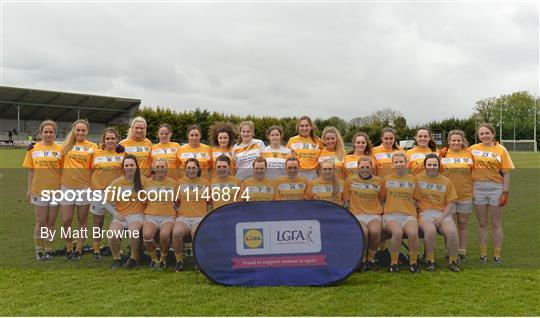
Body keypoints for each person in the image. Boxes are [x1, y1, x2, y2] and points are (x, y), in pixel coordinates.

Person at [469, 123, 514, 263]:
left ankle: (497, 254)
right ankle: (483, 253)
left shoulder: (501, 149)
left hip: (496, 188)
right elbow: (457, 154)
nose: (484, 136)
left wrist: (505, 192)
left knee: (496, 222)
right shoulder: (472, 149)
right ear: (478, 135)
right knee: (482, 222)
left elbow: (506, 172)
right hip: (478, 187)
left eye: (487, 133)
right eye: (481, 133)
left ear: (493, 134)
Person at [23, 120, 63, 260]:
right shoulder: (33, 149)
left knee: (51, 222)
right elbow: (31, 171)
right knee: (40, 222)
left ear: (55, 133)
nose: (48, 134)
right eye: (45, 132)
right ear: (41, 133)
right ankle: (39, 251)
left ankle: (49, 249)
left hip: (56, 191)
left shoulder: (60, 150)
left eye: (51, 132)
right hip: (38, 190)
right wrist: (29, 189)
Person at [414, 153, 461, 272]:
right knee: (430, 231)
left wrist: (442, 218)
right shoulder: (417, 179)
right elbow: (411, 197)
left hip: (441, 214)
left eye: (435, 165)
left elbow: (450, 202)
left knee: (452, 232)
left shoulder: (446, 181)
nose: (432, 167)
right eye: (429, 164)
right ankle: (430, 261)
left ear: (439, 166)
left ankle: (453, 261)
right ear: (425, 165)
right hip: (424, 213)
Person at [59, 119, 98, 260]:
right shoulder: (66, 146)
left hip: (84, 188)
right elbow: (54, 157)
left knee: (82, 221)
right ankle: (69, 248)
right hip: (67, 187)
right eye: (78, 130)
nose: (80, 132)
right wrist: (34, 146)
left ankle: (79, 249)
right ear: (74, 131)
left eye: (83, 130)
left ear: (87, 131)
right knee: (66, 221)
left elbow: (95, 167)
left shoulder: (93, 147)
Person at [380, 152, 420, 273]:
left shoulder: (413, 179)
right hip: (391, 215)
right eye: (396, 162)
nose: (399, 164)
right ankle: (394, 263)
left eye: (401, 162)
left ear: (406, 163)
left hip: (408, 215)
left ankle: (413, 263)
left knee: (413, 233)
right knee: (397, 232)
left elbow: (417, 198)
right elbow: (381, 199)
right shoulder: (386, 180)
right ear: (393, 165)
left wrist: (415, 205)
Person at [89, 127, 125, 260]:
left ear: (117, 140)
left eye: (113, 138)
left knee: (118, 221)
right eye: (107, 138)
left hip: (115, 194)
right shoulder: (96, 153)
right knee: (97, 222)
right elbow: (89, 171)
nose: (110, 140)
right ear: (103, 140)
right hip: (98, 192)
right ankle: (96, 249)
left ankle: (117, 248)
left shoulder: (122, 154)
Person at [440, 130, 474, 261]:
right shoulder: (442, 154)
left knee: (463, 223)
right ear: (449, 141)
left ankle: (462, 250)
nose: (456, 142)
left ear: (462, 141)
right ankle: (449, 250)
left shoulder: (469, 154)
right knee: (450, 224)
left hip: (465, 194)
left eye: (458, 140)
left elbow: (474, 173)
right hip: (448, 196)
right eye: (453, 140)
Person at [107, 154, 146, 269]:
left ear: (136, 166)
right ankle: (117, 258)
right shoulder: (117, 182)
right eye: (127, 165)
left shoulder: (144, 181)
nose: (129, 167)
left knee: (133, 232)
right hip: (121, 215)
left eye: (131, 165)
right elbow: (105, 202)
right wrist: (115, 214)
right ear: (123, 167)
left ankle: (134, 259)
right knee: (112, 235)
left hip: (136, 215)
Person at [344, 156, 382, 270]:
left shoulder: (379, 181)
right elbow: (346, 199)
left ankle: (370, 260)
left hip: (374, 214)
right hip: (357, 214)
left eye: (367, 167)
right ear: (358, 168)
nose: (364, 169)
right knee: (363, 232)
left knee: (375, 231)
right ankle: (361, 260)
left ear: (372, 168)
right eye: (362, 167)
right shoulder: (350, 180)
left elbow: (382, 198)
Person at [173, 158, 210, 272]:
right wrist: (179, 212)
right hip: (184, 217)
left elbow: (210, 201)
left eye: (193, 168)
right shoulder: (179, 182)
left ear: (198, 169)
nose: (191, 170)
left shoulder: (205, 183)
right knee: (177, 233)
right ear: (185, 169)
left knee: (196, 233)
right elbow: (175, 202)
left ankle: (198, 261)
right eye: (188, 168)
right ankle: (179, 260)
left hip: (199, 217)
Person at [142, 158, 177, 270]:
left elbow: (178, 202)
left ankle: (163, 259)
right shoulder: (147, 182)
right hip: (151, 216)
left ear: (166, 168)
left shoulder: (173, 183)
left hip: (168, 216)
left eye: (162, 167)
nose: (160, 169)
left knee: (164, 235)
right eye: (157, 167)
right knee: (147, 235)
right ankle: (154, 258)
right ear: (153, 168)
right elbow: (143, 200)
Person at [286, 116, 324, 180]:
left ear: (311, 127)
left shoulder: (318, 141)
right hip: (297, 173)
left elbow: (323, 158)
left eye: (307, 125)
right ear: (298, 127)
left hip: (313, 174)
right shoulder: (292, 140)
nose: (304, 128)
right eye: (302, 126)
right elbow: (287, 159)